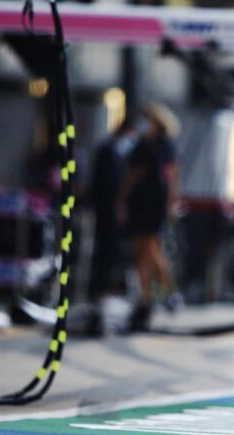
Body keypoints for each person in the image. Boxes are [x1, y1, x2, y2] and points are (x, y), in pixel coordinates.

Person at [118, 103, 184, 332]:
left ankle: (169, 291)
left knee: (152, 247)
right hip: (140, 202)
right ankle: (146, 299)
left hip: (155, 202)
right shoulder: (141, 145)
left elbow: (172, 175)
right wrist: (124, 200)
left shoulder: (164, 146)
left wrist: (172, 202)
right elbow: (131, 174)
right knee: (140, 253)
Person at [85, 118, 139, 336]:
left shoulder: (120, 154)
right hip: (105, 211)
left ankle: (105, 290)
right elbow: (103, 183)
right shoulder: (107, 151)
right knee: (104, 251)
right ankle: (99, 290)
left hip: (115, 212)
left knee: (111, 252)